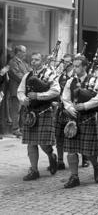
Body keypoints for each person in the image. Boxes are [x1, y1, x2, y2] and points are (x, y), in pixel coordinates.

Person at [61, 55, 98, 188]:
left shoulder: (94, 80)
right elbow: (65, 98)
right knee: (71, 150)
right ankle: (74, 177)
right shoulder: (70, 81)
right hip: (73, 119)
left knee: (88, 151)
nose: (75, 68)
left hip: (88, 118)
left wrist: (85, 106)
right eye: (74, 66)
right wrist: (69, 108)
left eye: (78, 66)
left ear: (85, 66)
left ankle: (96, 165)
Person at [17, 52, 60, 181]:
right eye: (32, 59)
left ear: (42, 61)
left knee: (43, 143)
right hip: (30, 113)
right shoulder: (27, 75)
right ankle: (34, 170)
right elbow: (20, 91)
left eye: (37, 59)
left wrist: (38, 96)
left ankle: (51, 155)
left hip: (44, 111)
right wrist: (23, 99)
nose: (33, 62)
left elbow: (56, 91)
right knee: (31, 143)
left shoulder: (49, 74)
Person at [54, 54, 74, 170]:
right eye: (64, 62)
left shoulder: (76, 77)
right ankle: (60, 161)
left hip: (72, 109)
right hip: (61, 109)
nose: (65, 64)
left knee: (75, 135)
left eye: (68, 62)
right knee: (59, 136)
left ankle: (85, 159)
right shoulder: (60, 77)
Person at [8, 45, 31, 136]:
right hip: (16, 90)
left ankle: (21, 128)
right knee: (16, 110)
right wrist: (28, 78)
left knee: (22, 110)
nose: (25, 53)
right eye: (24, 52)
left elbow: (30, 72)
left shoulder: (23, 63)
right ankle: (15, 129)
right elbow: (17, 75)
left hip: (23, 91)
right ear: (18, 52)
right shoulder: (13, 62)